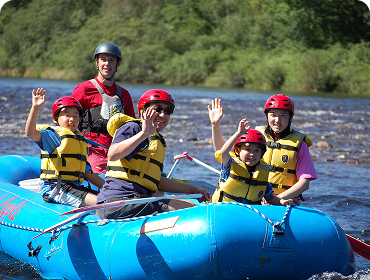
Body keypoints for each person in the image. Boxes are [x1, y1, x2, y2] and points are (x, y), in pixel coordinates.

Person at [96, 89, 210, 219]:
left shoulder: (156, 139)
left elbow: (156, 181)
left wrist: (194, 190)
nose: (162, 115)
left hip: (137, 200)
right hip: (118, 202)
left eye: (167, 111)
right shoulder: (133, 128)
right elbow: (113, 154)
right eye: (158, 109)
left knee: (190, 204)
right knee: (188, 210)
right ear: (142, 111)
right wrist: (144, 134)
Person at [207, 95, 317, 205]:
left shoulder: (300, 145)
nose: (277, 120)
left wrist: (278, 199)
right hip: (256, 199)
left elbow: (304, 183)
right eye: (273, 115)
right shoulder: (256, 137)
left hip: (285, 200)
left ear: (290, 117)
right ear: (267, 116)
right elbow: (224, 153)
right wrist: (215, 124)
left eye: (283, 115)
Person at [25, 88, 105, 207]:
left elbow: (90, 175)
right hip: (56, 189)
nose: (72, 119)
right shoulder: (53, 136)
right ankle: (100, 223)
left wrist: (111, 189)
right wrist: (35, 108)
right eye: (67, 115)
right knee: (100, 203)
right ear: (55, 119)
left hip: (75, 187)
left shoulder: (80, 141)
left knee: (107, 199)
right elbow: (30, 133)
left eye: (76, 116)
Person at [71, 42, 136, 174]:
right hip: (92, 150)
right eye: (103, 60)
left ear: (118, 64)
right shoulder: (84, 89)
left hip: (118, 150)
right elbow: (66, 116)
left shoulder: (124, 94)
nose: (107, 64)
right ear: (97, 62)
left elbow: (132, 127)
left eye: (112, 60)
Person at [211, 118, 292, 206]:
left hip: (249, 213)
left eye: (257, 150)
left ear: (262, 153)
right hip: (224, 209)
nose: (252, 154)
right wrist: (239, 133)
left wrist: (282, 201)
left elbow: (270, 198)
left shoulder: (262, 173)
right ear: (237, 151)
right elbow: (224, 152)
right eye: (248, 149)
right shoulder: (229, 165)